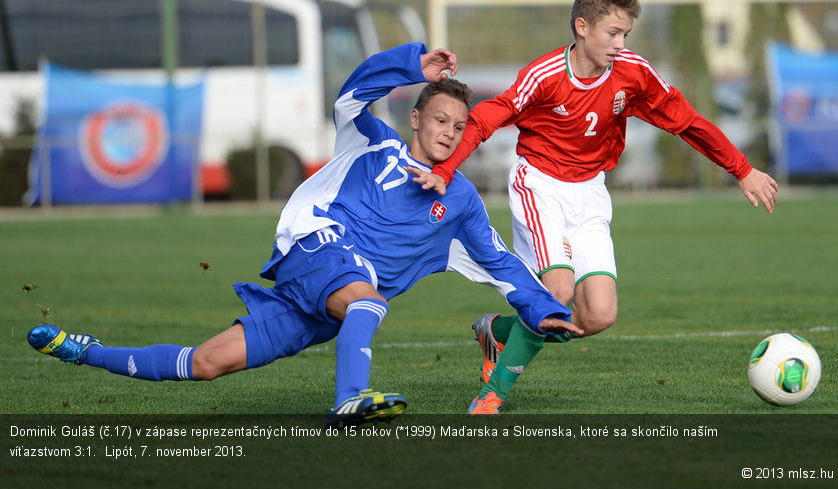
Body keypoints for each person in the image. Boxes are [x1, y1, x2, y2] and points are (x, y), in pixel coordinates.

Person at [27, 43, 582, 428]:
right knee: (367, 296)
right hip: (316, 251)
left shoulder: (459, 199)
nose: (449, 133)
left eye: (460, 128)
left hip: (325, 304)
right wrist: (412, 62)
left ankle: (84, 351)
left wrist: (543, 310)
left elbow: (502, 264)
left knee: (204, 363)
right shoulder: (371, 142)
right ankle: (348, 401)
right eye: (440, 120)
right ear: (416, 119)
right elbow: (351, 94)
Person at [412, 0, 780, 415]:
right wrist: (446, 170)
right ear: (582, 27)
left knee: (598, 316)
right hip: (540, 185)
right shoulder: (544, 76)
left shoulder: (633, 73)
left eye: (625, 34)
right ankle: (492, 397)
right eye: (612, 33)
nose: (620, 43)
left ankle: (501, 331)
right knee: (557, 293)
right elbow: (487, 117)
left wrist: (742, 168)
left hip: (590, 192)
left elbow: (685, 120)